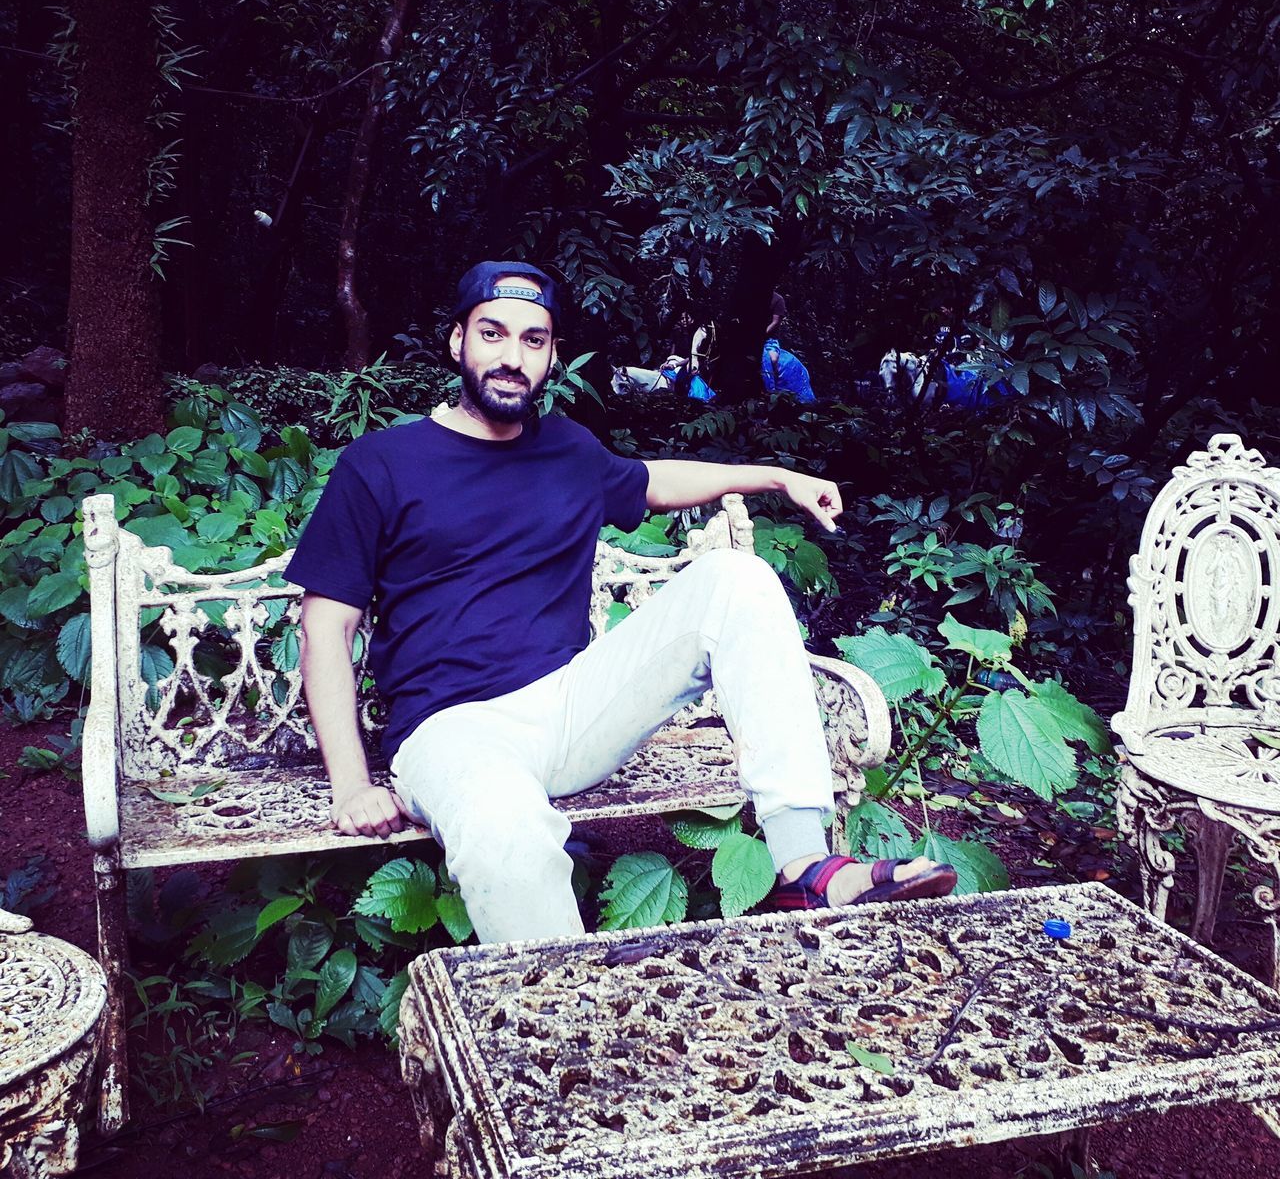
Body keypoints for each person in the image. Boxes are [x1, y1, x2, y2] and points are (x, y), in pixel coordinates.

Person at [287, 260, 954, 943]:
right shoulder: (381, 464)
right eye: (493, 334)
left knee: (737, 578)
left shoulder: (569, 453)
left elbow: (655, 479)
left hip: (573, 709)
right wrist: (350, 786)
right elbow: (325, 628)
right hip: (451, 731)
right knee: (504, 829)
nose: (512, 358)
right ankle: (561, 1018)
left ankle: (804, 866)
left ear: (551, 356)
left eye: (534, 340)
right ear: (458, 342)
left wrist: (779, 477)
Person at [761, 294, 817, 403]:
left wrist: (761, 334)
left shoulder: (777, 299)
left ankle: (771, 391)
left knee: (771, 358)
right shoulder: (752, 297)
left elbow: (775, 321)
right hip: (750, 337)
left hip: (769, 339)